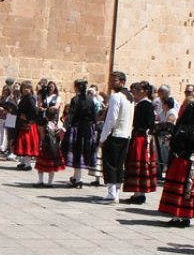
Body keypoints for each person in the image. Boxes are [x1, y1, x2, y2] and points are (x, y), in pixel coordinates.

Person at [159, 85, 194, 227]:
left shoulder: (186, 125)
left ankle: (179, 216)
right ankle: (185, 217)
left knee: (182, 189)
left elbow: (180, 140)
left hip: (184, 161)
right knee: (189, 190)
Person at [99, 71, 133, 202]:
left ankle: (111, 193)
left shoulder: (116, 97)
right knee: (119, 164)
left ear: (123, 82)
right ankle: (116, 192)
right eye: (111, 80)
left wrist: (103, 137)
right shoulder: (130, 97)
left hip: (115, 134)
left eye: (115, 81)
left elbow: (111, 119)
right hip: (125, 135)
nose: (112, 83)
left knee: (110, 164)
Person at [122, 81, 157, 204]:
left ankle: (139, 193)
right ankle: (138, 193)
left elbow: (149, 124)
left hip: (141, 139)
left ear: (145, 91)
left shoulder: (145, 105)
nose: (135, 91)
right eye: (135, 89)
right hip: (140, 137)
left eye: (138, 89)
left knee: (139, 166)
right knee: (138, 166)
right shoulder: (143, 104)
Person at [63, 78, 97, 188]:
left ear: (76, 87)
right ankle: (76, 177)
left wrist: (66, 126)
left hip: (77, 128)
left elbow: (71, 115)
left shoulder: (75, 99)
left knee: (77, 153)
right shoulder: (90, 99)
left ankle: (78, 179)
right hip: (88, 128)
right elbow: (94, 116)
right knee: (83, 153)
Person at [12, 80, 40, 171]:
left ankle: (28, 164)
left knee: (27, 144)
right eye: (24, 88)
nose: (26, 90)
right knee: (22, 143)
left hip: (28, 125)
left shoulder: (30, 98)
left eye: (28, 88)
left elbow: (34, 111)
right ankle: (23, 162)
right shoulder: (24, 97)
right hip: (22, 124)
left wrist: (27, 118)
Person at [34, 106, 65, 187]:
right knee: (52, 165)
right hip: (55, 147)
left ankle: (40, 181)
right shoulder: (57, 125)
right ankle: (50, 182)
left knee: (41, 165)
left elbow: (42, 136)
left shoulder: (43, 124)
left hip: (45, 146)